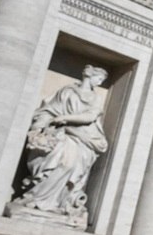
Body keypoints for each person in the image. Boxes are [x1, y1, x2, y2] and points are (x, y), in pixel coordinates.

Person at [11, 65, 110, 221]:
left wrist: (65, 119)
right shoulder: (66, 91)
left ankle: (56, 202)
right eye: (99, 79)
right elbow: (49, 110)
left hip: (81, 138)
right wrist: (40, 126)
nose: (99, 82)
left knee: (69, 165)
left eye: (102, 80)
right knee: (55, 159)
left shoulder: (95, 98)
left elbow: (90, 117)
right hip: (59, 134)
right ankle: (35, 198)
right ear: (90, 76)